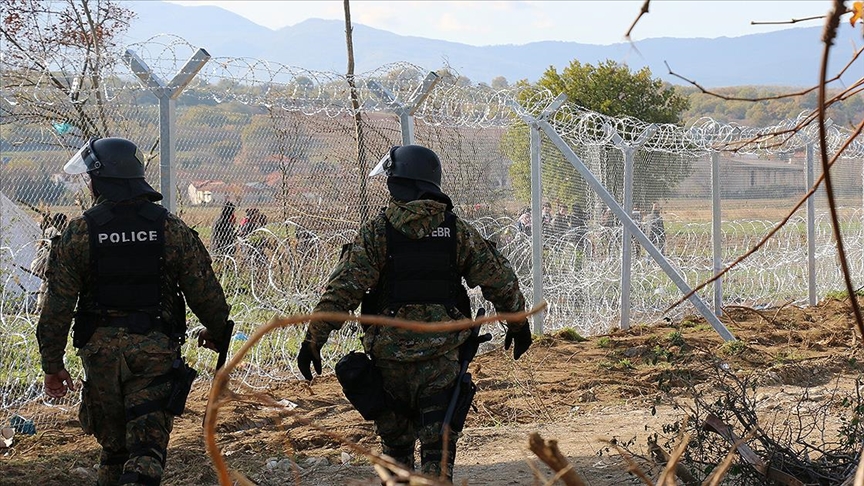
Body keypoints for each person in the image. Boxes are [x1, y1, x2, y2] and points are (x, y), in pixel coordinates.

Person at [296, 144, 532, 481]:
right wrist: (518, 323)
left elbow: (342, 291)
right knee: (438, 454)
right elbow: (499, 279)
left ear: (398, 182)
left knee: (396, 453)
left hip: (389, 363)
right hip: (442, 360)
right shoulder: (456, 232)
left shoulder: (377, 233)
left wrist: (313, 339)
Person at [37, 137, 232, 486]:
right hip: (154, 350)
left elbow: (56, 307)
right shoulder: (169, 228)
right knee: (146, 451)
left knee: (114, 449)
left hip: (100, 356)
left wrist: (53, 365)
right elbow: (205, 292)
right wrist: (217, 332)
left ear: (100, 179)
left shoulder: (80, 232)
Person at [31, 212, 68, 313]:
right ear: (63, 222)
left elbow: (41, 245)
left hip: (45, 259)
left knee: (45, 282)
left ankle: (39, 306)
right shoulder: (62, 233)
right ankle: (46, 306)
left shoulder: (48, 231)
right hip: (54, 261)